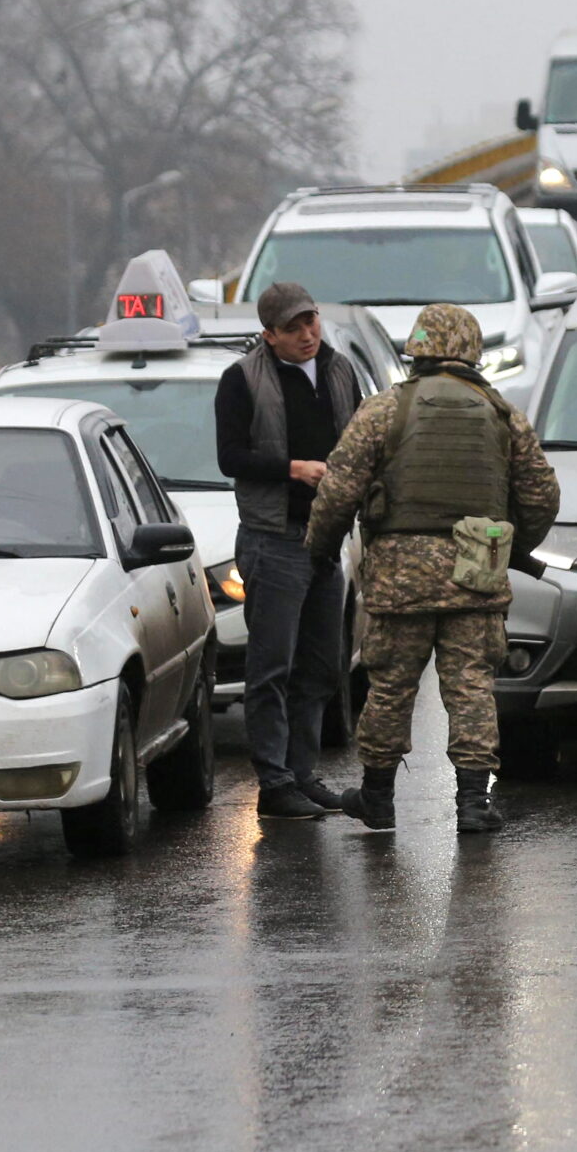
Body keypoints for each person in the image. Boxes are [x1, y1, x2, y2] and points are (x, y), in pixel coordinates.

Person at [306, 303, 560, 833]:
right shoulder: (501, 414)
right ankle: (474, 803)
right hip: (477, 569)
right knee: (471, 686)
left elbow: (338, 490)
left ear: (417, 351)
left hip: (401, 575)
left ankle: (376, 798)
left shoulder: (384, 411)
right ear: (470, 350)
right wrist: (510, 543)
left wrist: (321, 547)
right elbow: (540, 495)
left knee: (391, 686)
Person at [215, 281, 362, 820]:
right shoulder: (242, 380)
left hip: (325, 539)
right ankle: (274, 783)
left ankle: (303, 774)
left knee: (322, 665)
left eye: (312, 322)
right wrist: (293, 469)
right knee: (271, 666)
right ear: (269, 335)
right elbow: (230, 457)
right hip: (273, 540)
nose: (307, 334)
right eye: (294, 327)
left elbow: (362, 440)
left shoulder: (340, 370)